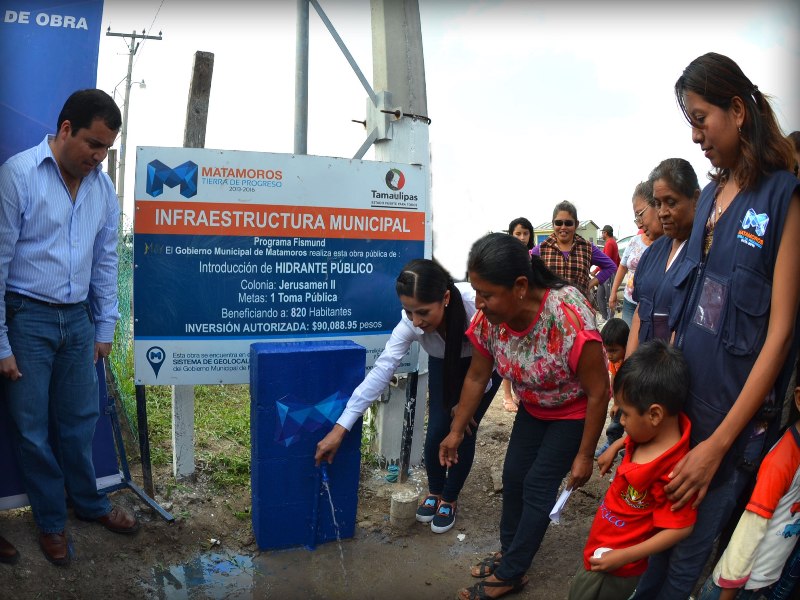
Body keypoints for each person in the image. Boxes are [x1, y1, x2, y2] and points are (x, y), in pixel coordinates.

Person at [629, 52, 800, 600]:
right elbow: (681, 321)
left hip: (727, 437)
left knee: (684, 570)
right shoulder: (709, 203)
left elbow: (778, 338)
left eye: (701, 119)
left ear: (738, 110)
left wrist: (716, 446)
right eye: (690, 123)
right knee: (650, 553)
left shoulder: (783, 199)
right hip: (679, 419)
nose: (696, 135)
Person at [0, 89, 138, 567]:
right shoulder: (18, 176)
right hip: (26, 318)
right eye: (93, 145)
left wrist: (105, 327)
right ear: (64, 130)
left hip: (79, 321)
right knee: (33, 429)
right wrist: (1, 342)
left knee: (80, 421)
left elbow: (105, 261)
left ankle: (91, 503)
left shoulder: (101, 187)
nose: (98, 158)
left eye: (106, 149)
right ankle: (51, 522)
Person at [439, 233, 609, 600]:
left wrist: (584, 455)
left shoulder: (567, 316)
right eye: (476, 292)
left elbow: (599, 391)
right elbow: (476, 375)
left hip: (573, 411)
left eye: (486, 294)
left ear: (519, 286)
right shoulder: (491, 321)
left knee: (537, 485)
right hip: (533, 407)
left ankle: (513, 572)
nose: (479, 304)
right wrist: (456, 431)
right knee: (514, 475)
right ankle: (510, 551)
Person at [315, 258, 501, 534]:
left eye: (423, 312)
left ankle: (450, 497)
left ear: (446, 298)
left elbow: (494, 361)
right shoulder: (410, 323)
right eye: (408, 311)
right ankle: (436, 491)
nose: (416, 321)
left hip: (484, 367)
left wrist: (464, 407)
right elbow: (381, 371)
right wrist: (341, 427)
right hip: (443, 362)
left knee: (464, 429)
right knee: (438, 426)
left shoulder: (476, 308)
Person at [569, 340, 696, 600]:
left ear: (655, 415)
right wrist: (616, 445)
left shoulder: (673, 473)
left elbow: (681, 527)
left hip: (617, 570)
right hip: (602, 547)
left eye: (625, 414)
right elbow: (636, 434)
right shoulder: (649, 433)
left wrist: (624, 556)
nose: (621, 421)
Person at [697, 358, 800, 600]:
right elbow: (749, 532)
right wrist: (729, 593)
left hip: (759, 582)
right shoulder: (782, 461)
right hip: (735, 587)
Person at [627, 158, 700, 357]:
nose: (662, 213)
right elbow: (639, 313)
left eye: (671, 202)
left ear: (695, 199)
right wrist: (628, 369)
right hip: (645, 368)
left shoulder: (704, 253)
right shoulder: (653, 252)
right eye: (658, 204)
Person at [532, 200, 617, 304]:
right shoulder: (541, 249)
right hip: (550, 310)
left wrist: (589, 284)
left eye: (568, 223)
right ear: (553, 224)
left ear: (576, 224)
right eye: (558, 223)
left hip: (579, 309)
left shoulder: (587, 248)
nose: (563, 227)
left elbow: (611, 266)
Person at [607, 180, 664, 327]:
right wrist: (613, 293)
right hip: (630, 300)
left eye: (640, 215)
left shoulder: (668, 247)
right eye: (636, 218)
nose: (639, 224)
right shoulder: (634, 241)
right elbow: (622, 267)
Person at [501, 217, 536, 413]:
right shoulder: (505, 257)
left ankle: (521, 393)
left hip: (527, 311)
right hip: (510, 309)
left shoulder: (532, 257)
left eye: (525, 233)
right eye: (518, 233)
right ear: (511, 234)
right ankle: (506, 395)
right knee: (509, 352)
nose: (522, 237)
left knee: (525, 352)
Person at [593, 317, 629, 459]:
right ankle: (612, 444)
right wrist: (615, 401)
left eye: (613, 350)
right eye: (606, 350)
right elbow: (613, 376)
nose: (609, 355)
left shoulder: (629, 362)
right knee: (616, 423)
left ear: (626, 345)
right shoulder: (615, 360)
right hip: (620, 400)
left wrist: (619, 403)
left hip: (630, 399)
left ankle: (628, 449)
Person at [594, 225, 620, 321]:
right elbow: (618, 259)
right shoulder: (613, 242)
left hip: (608, 274)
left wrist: (595, 270)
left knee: (609, 297)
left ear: (606, 233)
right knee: (599, 296)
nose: (602, 234)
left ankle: (610, 319)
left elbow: (605, 261)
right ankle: (605, 318)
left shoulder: (609, 243)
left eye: (602, 232)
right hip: (605, 275)